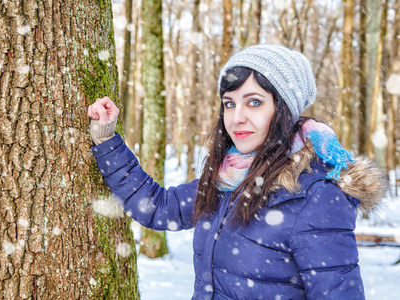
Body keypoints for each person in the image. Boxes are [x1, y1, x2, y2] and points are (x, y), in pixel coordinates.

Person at [88, 45, 387, 299]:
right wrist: (106, 140)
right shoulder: (227, 177)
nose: (237, 117)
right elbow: (156, 206)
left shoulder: (317, 196)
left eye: (254, 102)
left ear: (284, 108)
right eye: (229, 104)